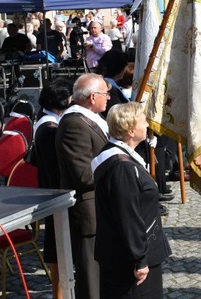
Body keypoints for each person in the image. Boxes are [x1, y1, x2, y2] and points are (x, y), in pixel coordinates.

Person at [92, 102, 172, 298]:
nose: (147, 125)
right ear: (129, 129)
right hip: (128, 261)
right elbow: (128, 216)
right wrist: (140, 259)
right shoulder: (122, 168)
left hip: (132, 253)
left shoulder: (123, 157)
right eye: (143, 121)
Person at [56, 73, 111, 299]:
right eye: (105, 94)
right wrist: (117, 169)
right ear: (91, 97)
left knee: (103, 276)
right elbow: (82, 174)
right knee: (91, 279)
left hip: (100, 208)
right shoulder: (74, 124)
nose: (108, 97)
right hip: (88, 212)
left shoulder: (89, 119)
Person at [34, 77, 74, 299]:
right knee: (56, 245)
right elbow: (54, 168)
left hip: (51, 190)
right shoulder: (49, 129)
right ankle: (59, 292)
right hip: (54, 192)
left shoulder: (47, 120)